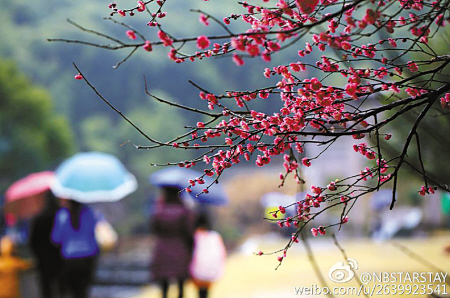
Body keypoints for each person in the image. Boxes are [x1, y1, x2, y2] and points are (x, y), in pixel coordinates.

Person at [150, 186, 194, 298]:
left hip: (162, 248)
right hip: (180, 248)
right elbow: (189, 232)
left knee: (164, 284)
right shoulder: (184, 211)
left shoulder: (159, 210)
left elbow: (154, 228)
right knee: (181, 284)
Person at [51, 200, 99, 298]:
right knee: (83, 291)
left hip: (70, 258)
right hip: (88, 257)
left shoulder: (62, 214)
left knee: (72, 290)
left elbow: (56, 238)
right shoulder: (89, 212)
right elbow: (94, 232)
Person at [29, 191, 63, 298]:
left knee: (46, 289)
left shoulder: (39, 218)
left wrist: (37, 256)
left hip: (43, 260)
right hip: (61, 259)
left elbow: (32, 241)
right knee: (61, 289)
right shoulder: (63, 216)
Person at [189, 212, 226, 298]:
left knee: (200, 291)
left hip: (197, 272)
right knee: (205, 292)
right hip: (213, 271)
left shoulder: (195, 236)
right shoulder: (215, 236)